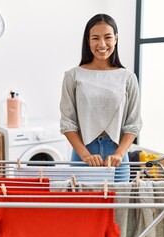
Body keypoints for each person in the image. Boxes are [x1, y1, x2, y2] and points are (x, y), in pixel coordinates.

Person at [60, 13, 142, 182]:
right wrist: (85, 155)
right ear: (88, 40)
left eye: (108, 37)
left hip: (118, 156)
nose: (102, 44)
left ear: (116, 39)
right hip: (84, 154)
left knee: (119, 208)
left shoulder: (128, 78)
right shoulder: (73, 76)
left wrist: (119, 154)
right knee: (83, 207)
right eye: (95, 38)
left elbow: (133, 124)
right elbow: (68, 122)